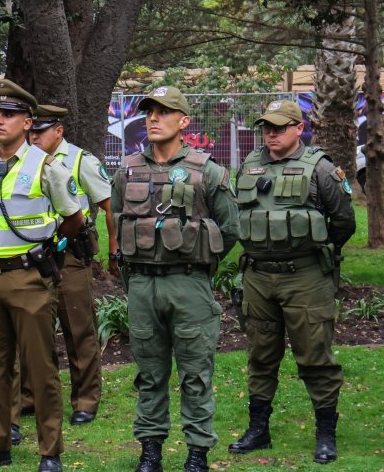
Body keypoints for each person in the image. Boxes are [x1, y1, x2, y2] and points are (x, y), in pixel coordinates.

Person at [111, 86, 239, 472]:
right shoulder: (128, 169)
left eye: (164, 112)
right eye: (149, 111)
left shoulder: (208, 171)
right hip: (142, 285)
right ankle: (150, 452)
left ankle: (197, 453)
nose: (153, 118)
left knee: (196, 374)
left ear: (183, 122)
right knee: (149, 373)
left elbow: (230, 229)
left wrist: (199, 261)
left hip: (189, 284)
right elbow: (118, 220)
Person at [0, 79, 84, 472]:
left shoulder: (47, 167)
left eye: (8, 115)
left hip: (28, 277)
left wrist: (49, 248)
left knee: (40, 368)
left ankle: (50, 450)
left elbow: (74, 219)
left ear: (28, 122)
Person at [227, 100, 355, 464]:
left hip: (305, 278)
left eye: (280, 127)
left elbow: (344, 222)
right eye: (267, 126)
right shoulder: (250, 165)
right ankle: (258, 430)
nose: (271, 133)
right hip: (258, 277)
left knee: (316, 357)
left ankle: (325, 434)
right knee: (260, 356)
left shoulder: (321, 169)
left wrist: (313, 251)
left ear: (299, 128)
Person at [28, 104, 118, 426]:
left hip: (69, 256)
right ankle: (31, 396)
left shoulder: (80, 160)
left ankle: (85, 399)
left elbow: (109, 206)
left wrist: (115, 250)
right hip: (33, 256)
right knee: (34, 329)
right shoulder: (23, 162)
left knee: (78, 328)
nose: (34, 136)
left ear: (58, 131)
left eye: (41, 131)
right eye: (32, 131)